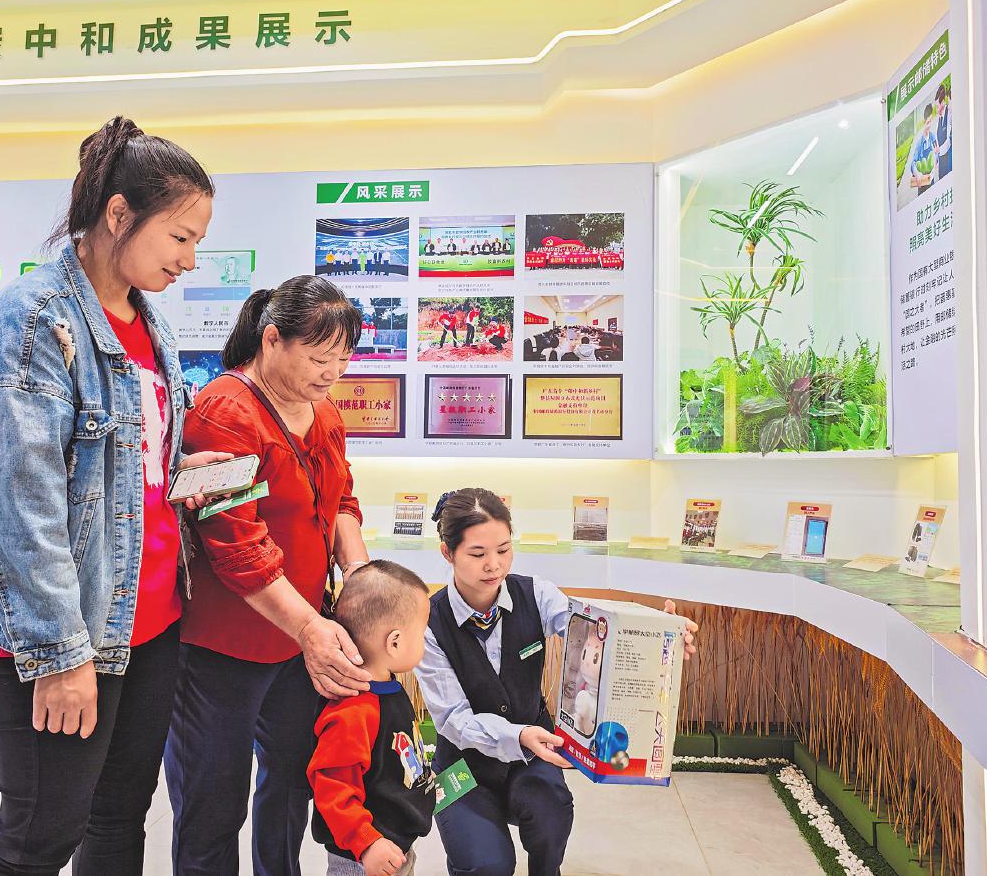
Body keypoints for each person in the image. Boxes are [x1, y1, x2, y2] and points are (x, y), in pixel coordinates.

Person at [0, 115, 227, 875]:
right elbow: (21, 506)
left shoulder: (148, 320)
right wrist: (60, 655)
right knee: (40, 834)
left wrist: (188, 475)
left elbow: (129, 468)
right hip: (67, 627)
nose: (189, 259)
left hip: (151, 618)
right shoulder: (32, 319)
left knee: (118, 818)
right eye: (180, 236)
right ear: (118, 214)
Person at [166, 275, 375, 875]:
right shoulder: (226, 412)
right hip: (223, 647)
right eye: (318, 358)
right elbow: (238, 546)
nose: (331, 373)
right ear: (272, 339)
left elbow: (341, 500)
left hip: (299, 640)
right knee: (213, 802)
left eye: (342, 359)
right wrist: (310, 627)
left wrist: (359, 577)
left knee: (291, 782)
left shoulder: (324, 412)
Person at [415, 489, 698, 876]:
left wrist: (657, 633)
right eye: (477, 554)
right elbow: (453, 719)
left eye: (504, 549)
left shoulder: (536, 594)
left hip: (534, 755)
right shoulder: (429, 623)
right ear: (448, 553)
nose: (494, 565)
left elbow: (593, 630)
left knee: (551, 811)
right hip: (461, 768)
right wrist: (518, 736)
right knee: (484, 864)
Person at [308, 561, 436, 876]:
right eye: (422, 633)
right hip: (363, 858)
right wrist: (366, 842)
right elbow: (332, 788)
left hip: (394, 846)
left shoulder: (389, 688)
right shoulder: (352, 713)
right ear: (395, 642)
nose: (425, 640)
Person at [909, 103, 940, 196]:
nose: (929, 125)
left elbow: (936, 157)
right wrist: (917, 173)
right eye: (927, 123)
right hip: (921, 183)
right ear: (924, 123)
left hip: (931, 180)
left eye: (930, 122)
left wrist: (933, 171)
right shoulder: (919, 143)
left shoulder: (933, 138)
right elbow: (913, 163)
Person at [935, 83, 952, 180]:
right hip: (941, 162)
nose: (936, 109)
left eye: (937, 106)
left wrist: (939, 150)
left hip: (948, 160)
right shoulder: (938, 119)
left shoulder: (949, 114)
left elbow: (949, 139)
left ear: (943, 103)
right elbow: (937, 141)